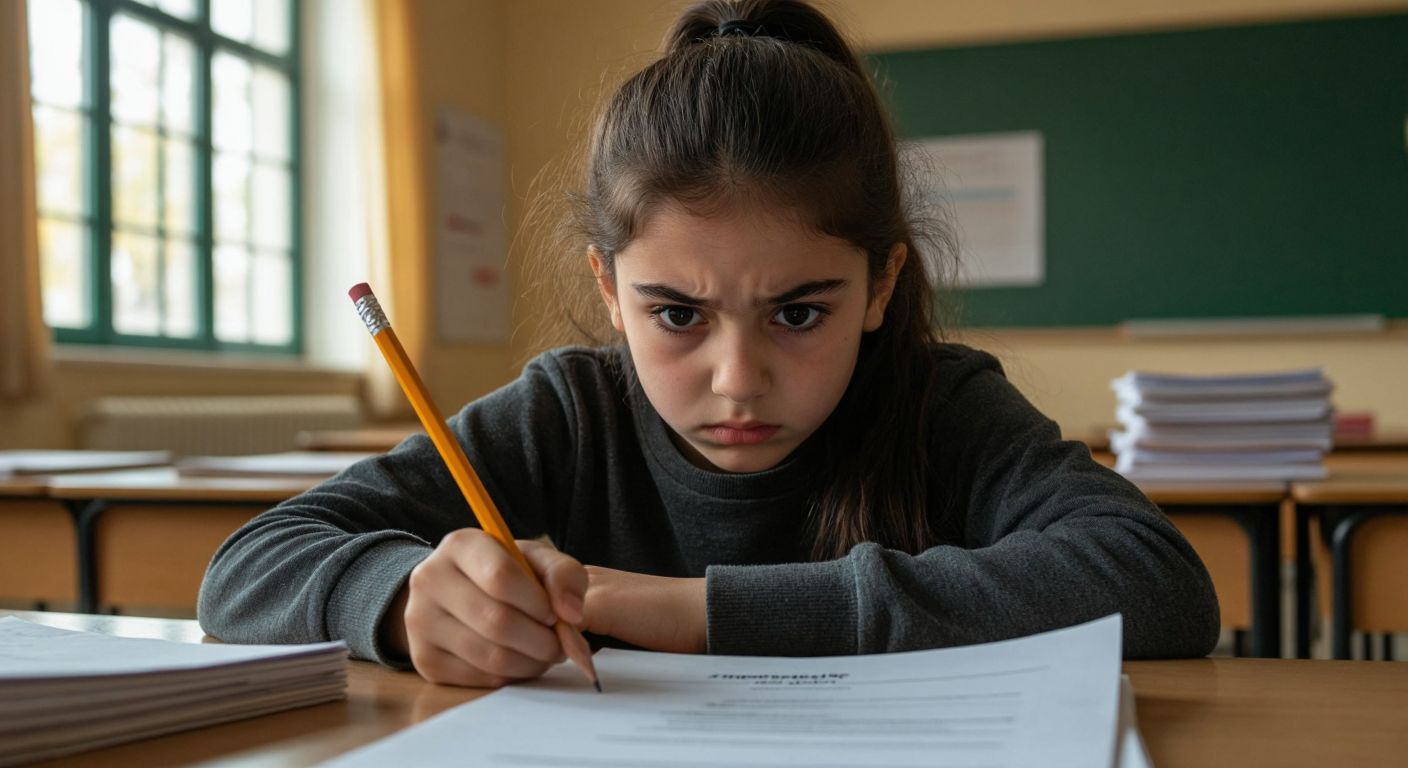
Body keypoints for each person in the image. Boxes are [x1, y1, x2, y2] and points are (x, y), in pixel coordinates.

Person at [198, 0, 1218, 688]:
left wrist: (682, 611)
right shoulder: (569, 413)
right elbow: (246, 569)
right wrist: (398, 599)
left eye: (800, 312)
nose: (737, 380)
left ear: (881, 286)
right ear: (608, 288)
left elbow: (1155, 585)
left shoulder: (939, 408)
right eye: (676, 314)